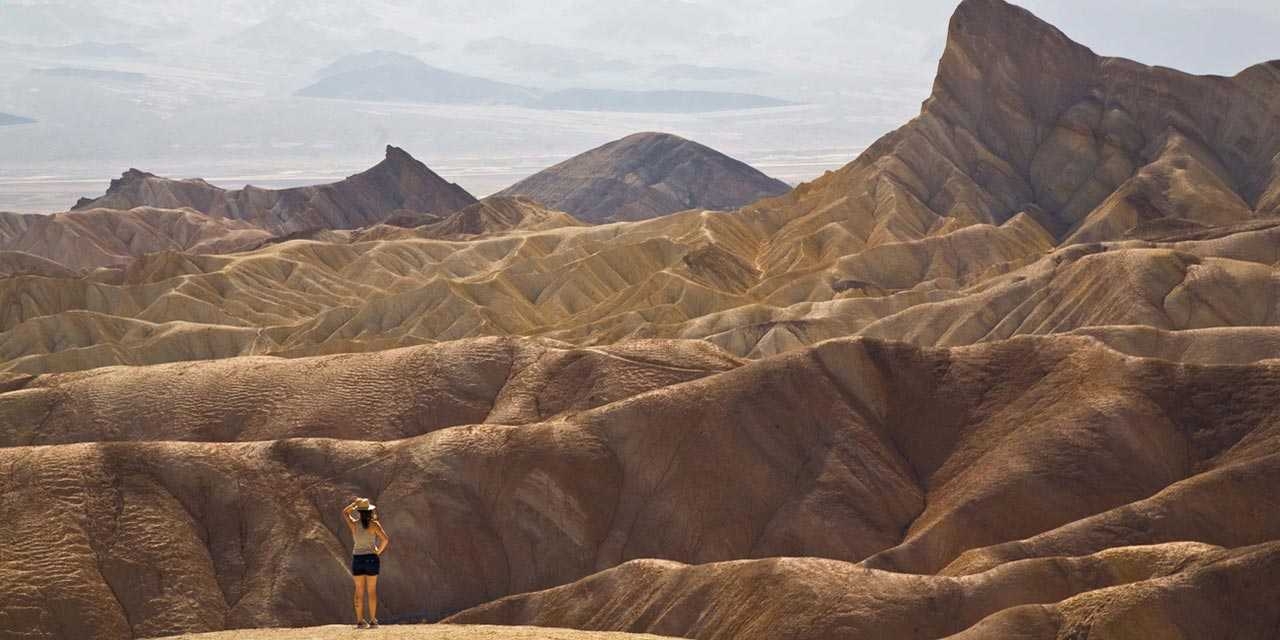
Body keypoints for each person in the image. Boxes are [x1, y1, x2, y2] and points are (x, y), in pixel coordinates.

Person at [342, 497, 390, 628]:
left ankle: (360, 621)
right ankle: (373, 620)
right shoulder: (374, 524)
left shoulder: (354, 524)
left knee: (358, 591)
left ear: (359, 512)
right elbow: (385, 540)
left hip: (358, 558)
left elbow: (345, 512)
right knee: (372, 591)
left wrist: (353, 504)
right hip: (371, 559)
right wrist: (377, 552)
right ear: (369, 512)